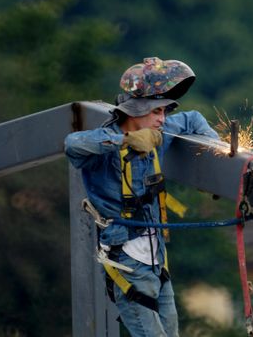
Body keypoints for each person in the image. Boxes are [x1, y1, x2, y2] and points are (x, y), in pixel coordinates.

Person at [64, 57, 218, 336]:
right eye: (156, 111)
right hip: (127, 262)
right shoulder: (106, 143)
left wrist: (216, 153)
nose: (163, 119)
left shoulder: (161, 131)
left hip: (157, 258)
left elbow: (194, 119)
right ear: (134, 112)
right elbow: (73, 144)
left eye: (164, 111)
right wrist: (125, 141)